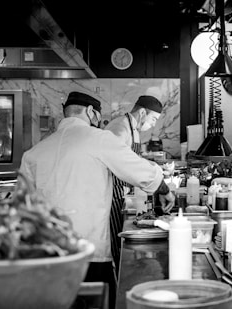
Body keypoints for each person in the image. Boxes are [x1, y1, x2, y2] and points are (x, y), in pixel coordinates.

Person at [19, 91, 175, 309]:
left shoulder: (33, 153)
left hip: (46, 255)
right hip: (88, 251)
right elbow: (138, 170)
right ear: (91, 112)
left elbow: (21, 208)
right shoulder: (98, 139)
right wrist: (164, 188)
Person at [104, 95, 163, 275]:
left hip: (121, 192)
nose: (153, 124)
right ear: (143, 112)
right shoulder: (119, 127)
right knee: (115, 243)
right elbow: (119, 164)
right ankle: (116, 285)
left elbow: (133, 160)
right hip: (111, 192)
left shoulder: (133, 128)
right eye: (153, 119)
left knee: (118, 239)